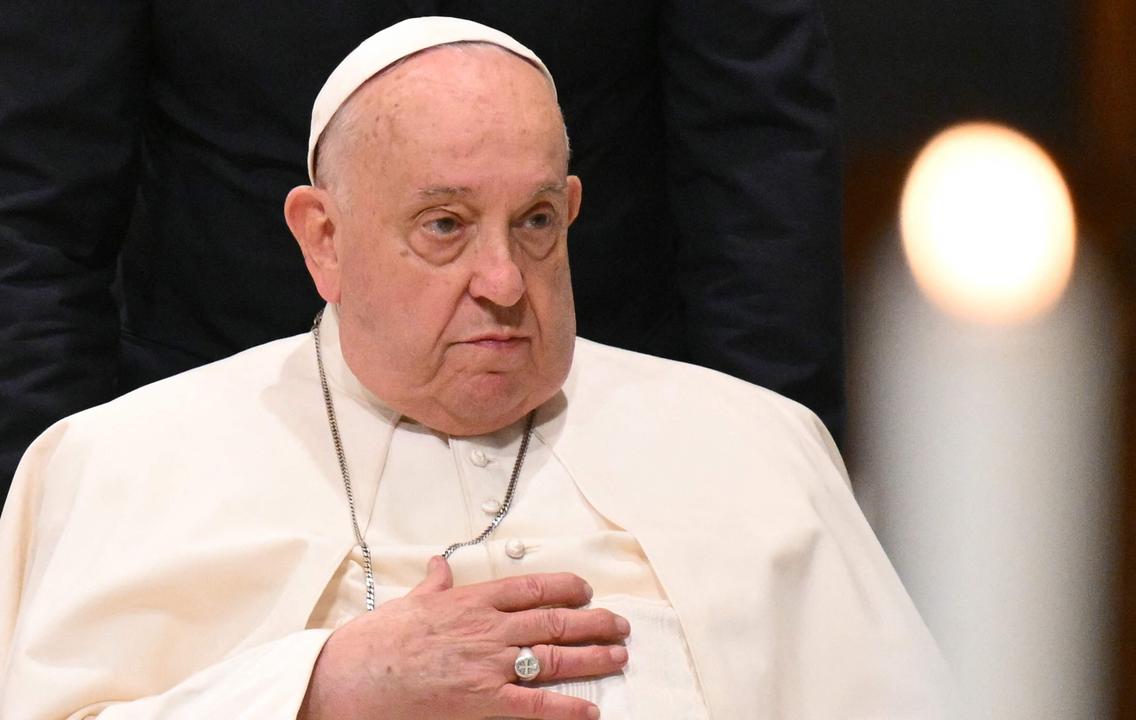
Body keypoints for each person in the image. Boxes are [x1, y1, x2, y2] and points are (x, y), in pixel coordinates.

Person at [0, 19, 942, 719]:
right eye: (444, 226)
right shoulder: (122, 467)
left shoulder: (752, 450)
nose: (502, 283)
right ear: (321, 241)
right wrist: (313, 690)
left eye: (534, 222)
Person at [0, 1, 846, 499]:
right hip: (228, 440)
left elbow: (757, 157)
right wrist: (53, 508)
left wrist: (768, 474)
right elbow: (33, 205)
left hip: (591, 433)